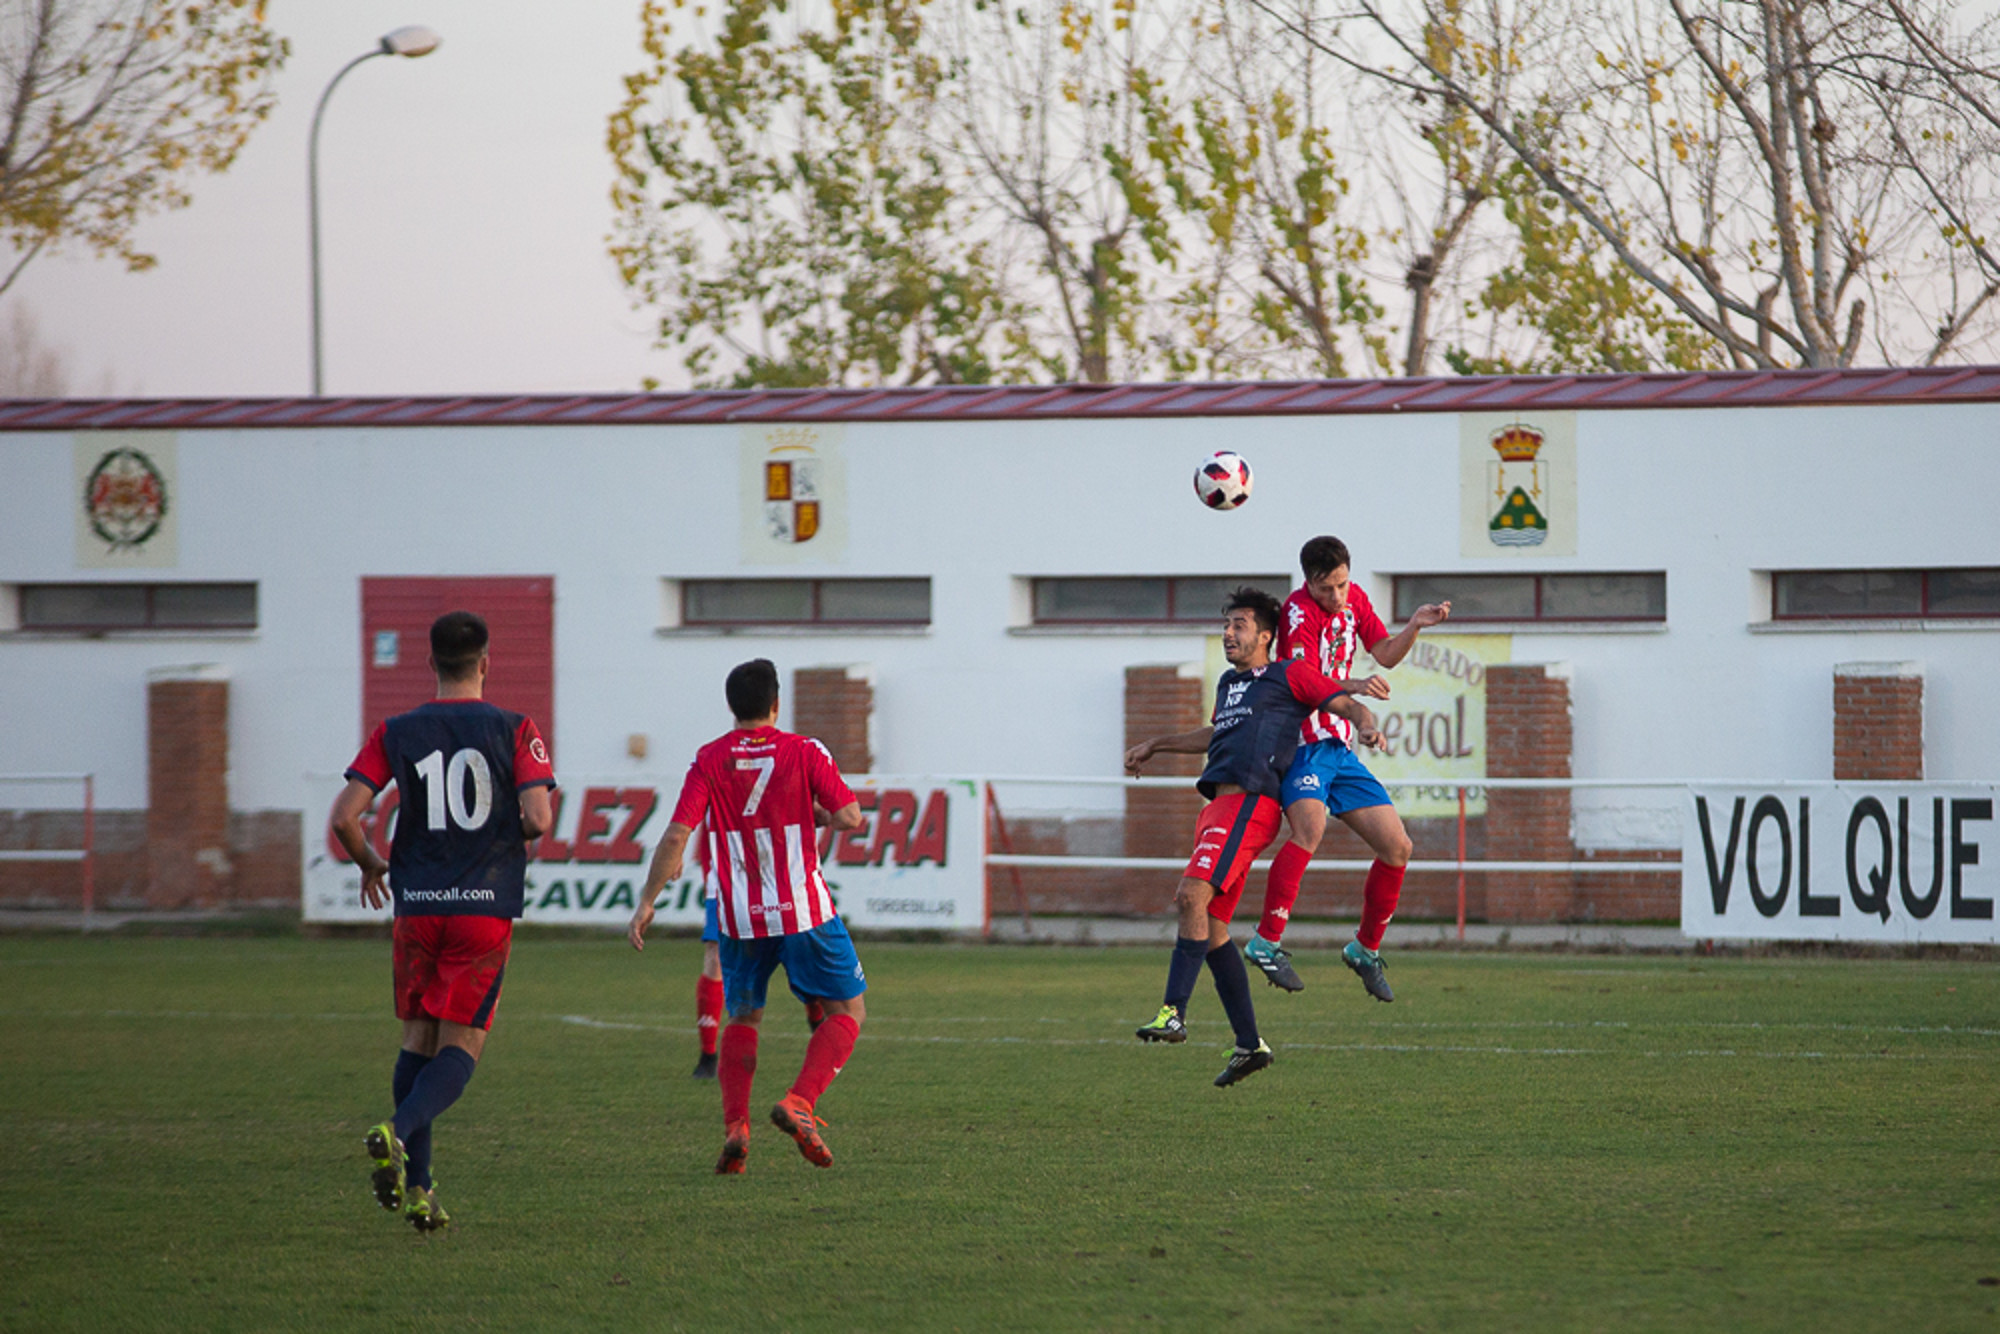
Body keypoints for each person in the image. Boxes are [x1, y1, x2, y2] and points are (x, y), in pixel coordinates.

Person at [328, 611, 555, 1232]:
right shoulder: (516, 727)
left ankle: (422, 1189)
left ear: (430, 664)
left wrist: (373, 864)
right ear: (486, 662)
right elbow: (538, 820)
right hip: (482, 907)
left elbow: (346, 816)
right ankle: (396, 1132)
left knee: (417, 1040)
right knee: (462, 1045)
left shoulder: (396, 730)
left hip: (417, 905)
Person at [1125, 587, 1388, 1087]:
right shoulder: (1230, 684)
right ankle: (1249, 1045)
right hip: (1219, 807)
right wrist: (1156, 744)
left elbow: (1344, 704)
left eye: (1240, 625)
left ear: (1267, 636)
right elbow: (1216, 734)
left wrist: (1367, 725)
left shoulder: (1289, 673)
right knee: (1214, 928)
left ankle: (1173, 1012)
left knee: (1190, 896)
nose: (1228, 633)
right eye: (1226, 625)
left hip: (1250, 802)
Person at [629, 658, 866, 1173]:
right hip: (803, 910)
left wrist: (647, 900)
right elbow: (850, 817)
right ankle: (799, 1102)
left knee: (745, 1016)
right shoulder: (804, 751)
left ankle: (737, 1127)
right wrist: (819, 814)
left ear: (732, 706)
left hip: (738, 915)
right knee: (848, 1012)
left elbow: (676, 834)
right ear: (776, 704)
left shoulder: (710, 758)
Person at [1240, 536, 1450, 1001]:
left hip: (1339, 747)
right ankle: (1266, 940)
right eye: (1325, 588)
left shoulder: (1355, 599)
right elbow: (1305, 684)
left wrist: (1415, 624)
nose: (1336, 596)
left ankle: (1364, 949)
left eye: (1341, 584)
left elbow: (1387, 654)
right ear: (1307, 582)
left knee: (1398, 847)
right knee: (1309, 830)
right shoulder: (1297, 615)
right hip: (1301, 743)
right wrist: (1356, 692)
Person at [687, 825, 824, 1082]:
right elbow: (689, 819)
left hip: (781, 878)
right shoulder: (715, 783)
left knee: (801, 958)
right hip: (727, 880)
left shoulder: (782, 784)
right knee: (715, 955)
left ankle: (817, 1023)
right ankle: (708, 1056)